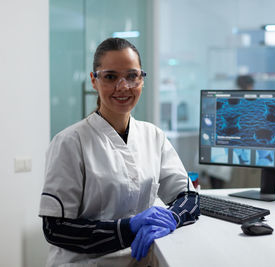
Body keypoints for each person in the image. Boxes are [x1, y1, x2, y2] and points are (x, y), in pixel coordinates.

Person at [39, 38, 200, 266]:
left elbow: (189, 197)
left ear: (142, 80)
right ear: (94, 81)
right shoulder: (70, 142)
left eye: (132, 76)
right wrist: (127, 228)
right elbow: (55, 229)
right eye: (111, 77)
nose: (123, 87)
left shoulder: (153, 136)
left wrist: (173, 217)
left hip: (141, 258)